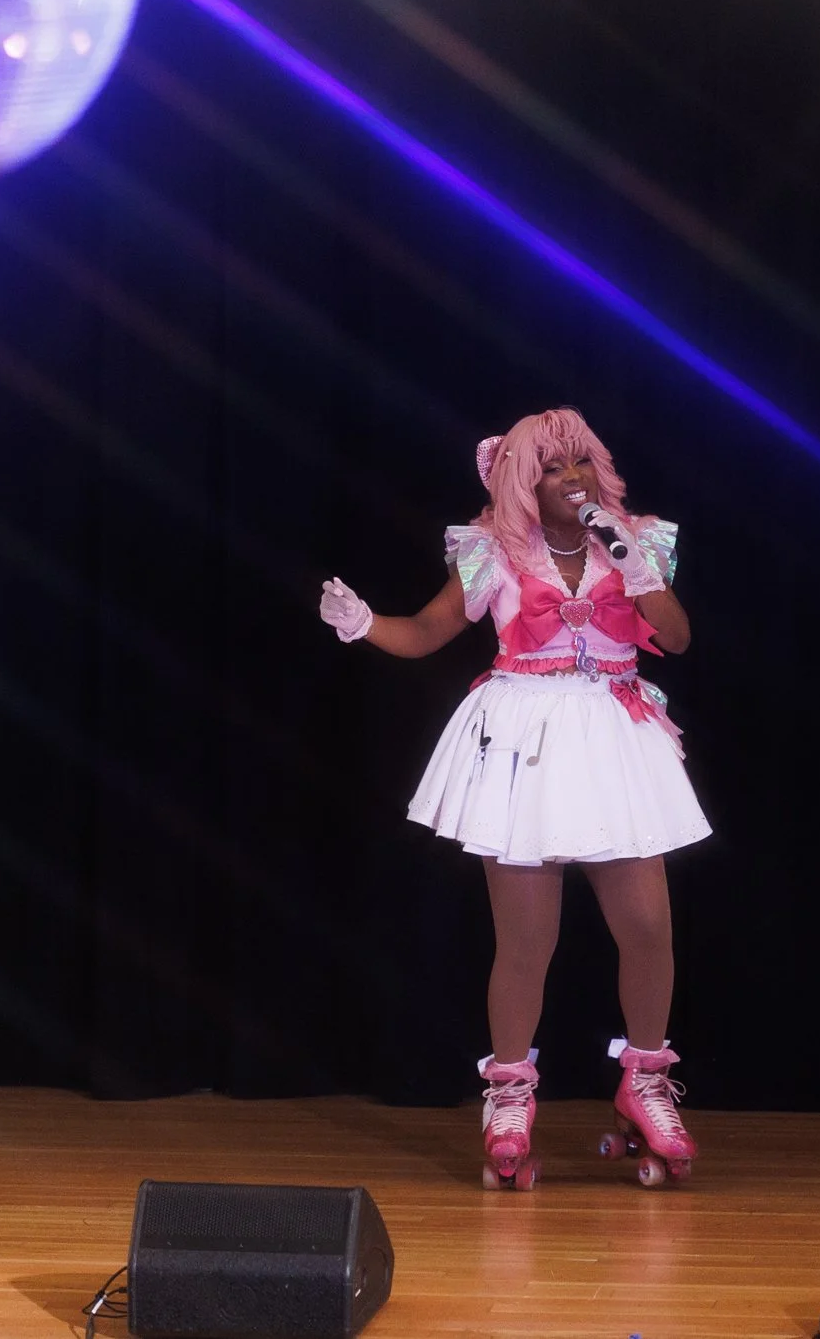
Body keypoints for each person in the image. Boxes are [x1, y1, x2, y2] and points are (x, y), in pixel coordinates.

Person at [318, 408, 711, 1189]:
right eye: (551, 469)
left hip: (614, 731)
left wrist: (633, 562)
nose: (570, 480)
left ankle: (646, 1085)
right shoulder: (490, 551)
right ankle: (508, 1097)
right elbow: (430, 630)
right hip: (524, 737)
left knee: (647, 926)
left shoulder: (639, 538)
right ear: (520, 482)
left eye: (580, 464)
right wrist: (365, 626)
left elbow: (676, 636)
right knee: (527, 941)